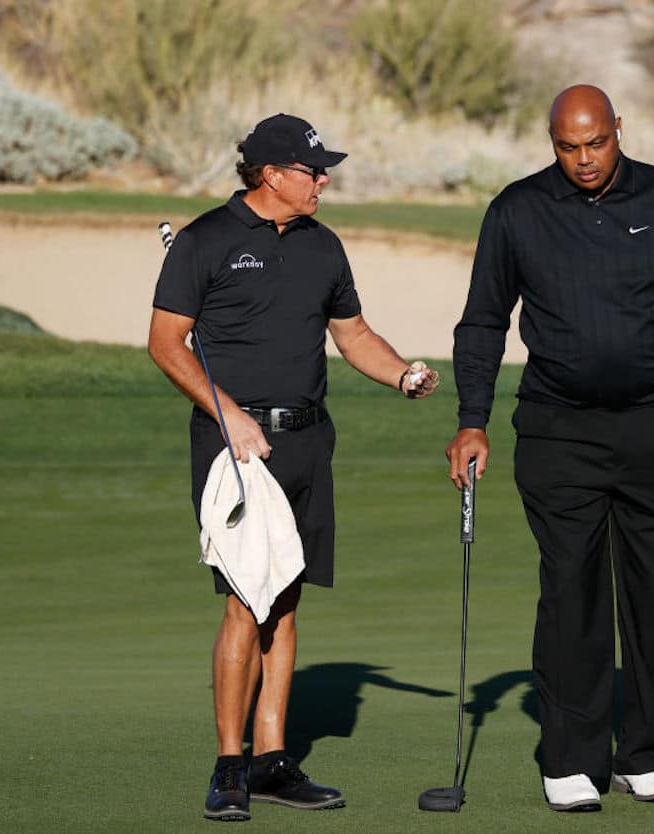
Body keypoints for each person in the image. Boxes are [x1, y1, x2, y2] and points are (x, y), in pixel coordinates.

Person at [445, 85, 654, 812]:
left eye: (596, 143)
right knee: (572, 593)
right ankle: (570, 758)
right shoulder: (518, 211)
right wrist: (473, 420)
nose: (585, 159)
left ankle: (647, 754)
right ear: (551, 140)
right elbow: (482, 323)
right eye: (568, 147)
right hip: (561, 431)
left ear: (619, 130)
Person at [149, 113, 439, 822]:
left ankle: (273, 759)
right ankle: (229, 763)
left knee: (285, 595)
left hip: (309, 441)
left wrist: (401, 375)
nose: (324, 179)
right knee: (245, 598)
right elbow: (165, 342)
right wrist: (230, 414)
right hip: (236, 447)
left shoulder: (324, 246)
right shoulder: (204, 241)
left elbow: (354, 334)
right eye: (313, 170)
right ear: (272, 175)